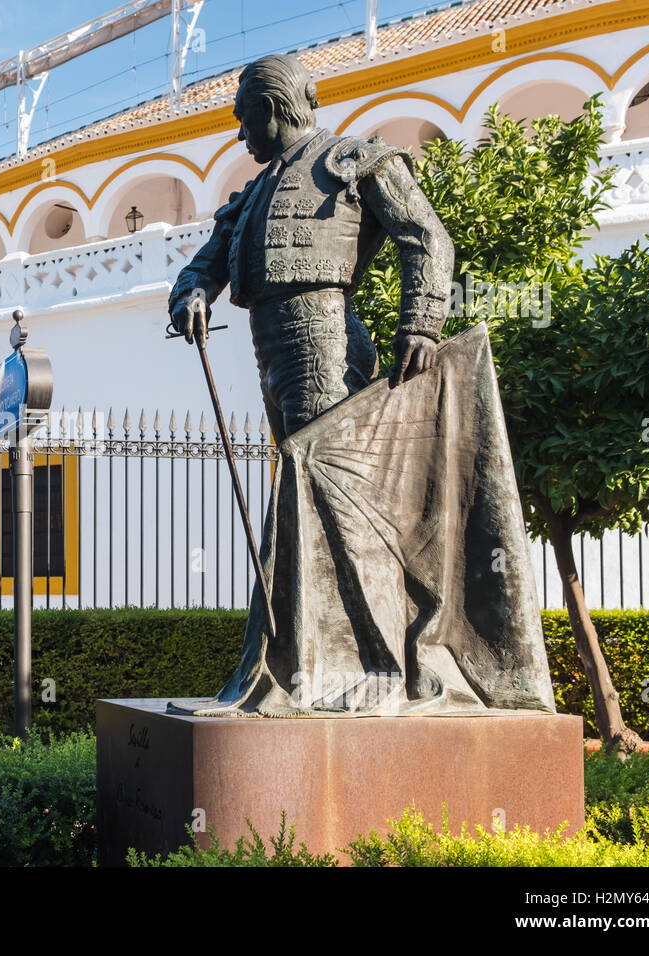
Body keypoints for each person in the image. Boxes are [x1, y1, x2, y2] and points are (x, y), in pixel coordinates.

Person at [166, 54, 553, 718]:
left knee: (333, 497)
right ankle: (303, 663)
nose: (240, 134)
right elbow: (201, 268)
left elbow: (426, 238)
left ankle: (373, 664)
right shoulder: (253, 195)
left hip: (326, 341)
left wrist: (420, 324)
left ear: (274, 106)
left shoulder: (352, 160)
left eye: (243, 117)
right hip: (273, 351)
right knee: (303, 495)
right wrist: (193, 296)